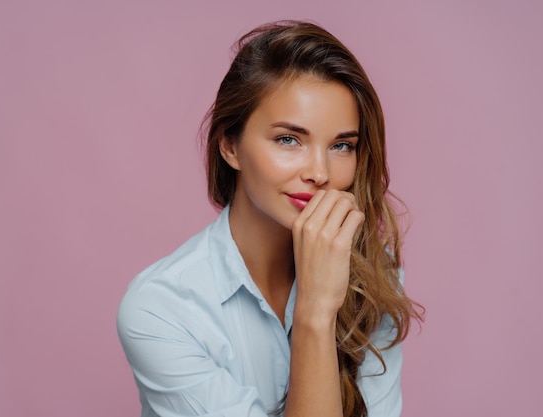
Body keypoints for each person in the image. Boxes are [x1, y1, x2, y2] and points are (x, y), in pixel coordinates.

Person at [117, 20, 423, 417]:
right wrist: (315, 311)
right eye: (288, 139)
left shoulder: (373, 272)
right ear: (230, 145)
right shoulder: (161, 308)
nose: (320, 172)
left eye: (342, 145)